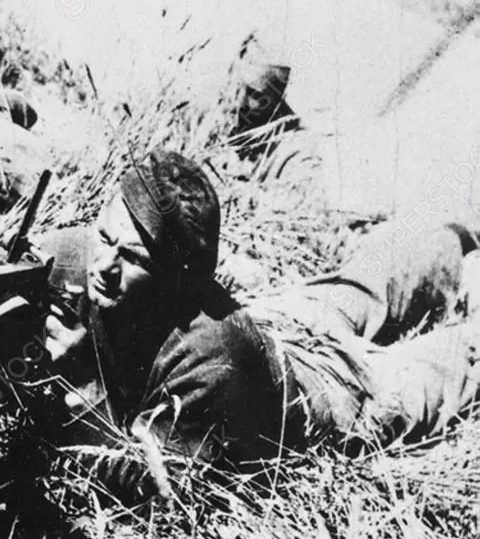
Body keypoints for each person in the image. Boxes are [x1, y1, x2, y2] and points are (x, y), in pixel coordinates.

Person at [42, 149, 480, 502]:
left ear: (175, 280)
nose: (102, 266)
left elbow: (155, 489)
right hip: (278, 321)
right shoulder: (81, 262)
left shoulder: (208, 364)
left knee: (450, 362)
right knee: (363, 284)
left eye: (134, 259)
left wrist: (84, 385)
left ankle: (460, 243)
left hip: (327, 395)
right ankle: (456, 237)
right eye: (104, 237)